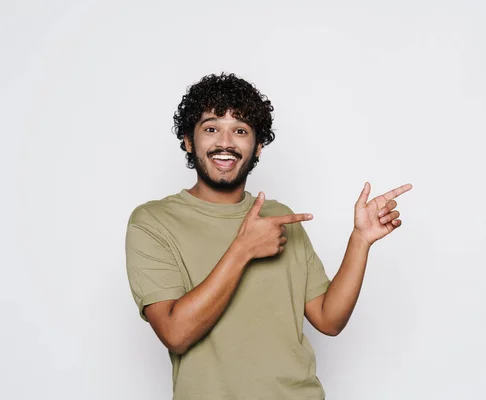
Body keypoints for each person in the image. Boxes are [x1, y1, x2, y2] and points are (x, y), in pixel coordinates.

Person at [125, 72, 412, 400]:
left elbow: (329, 320)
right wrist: (243, 249)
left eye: (240, 130)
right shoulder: (152, 222)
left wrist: (360, 240)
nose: (225, 142)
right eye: (211, 128)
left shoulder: (280, 217)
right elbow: (176, 333)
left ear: (258, 147)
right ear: (190, 141)